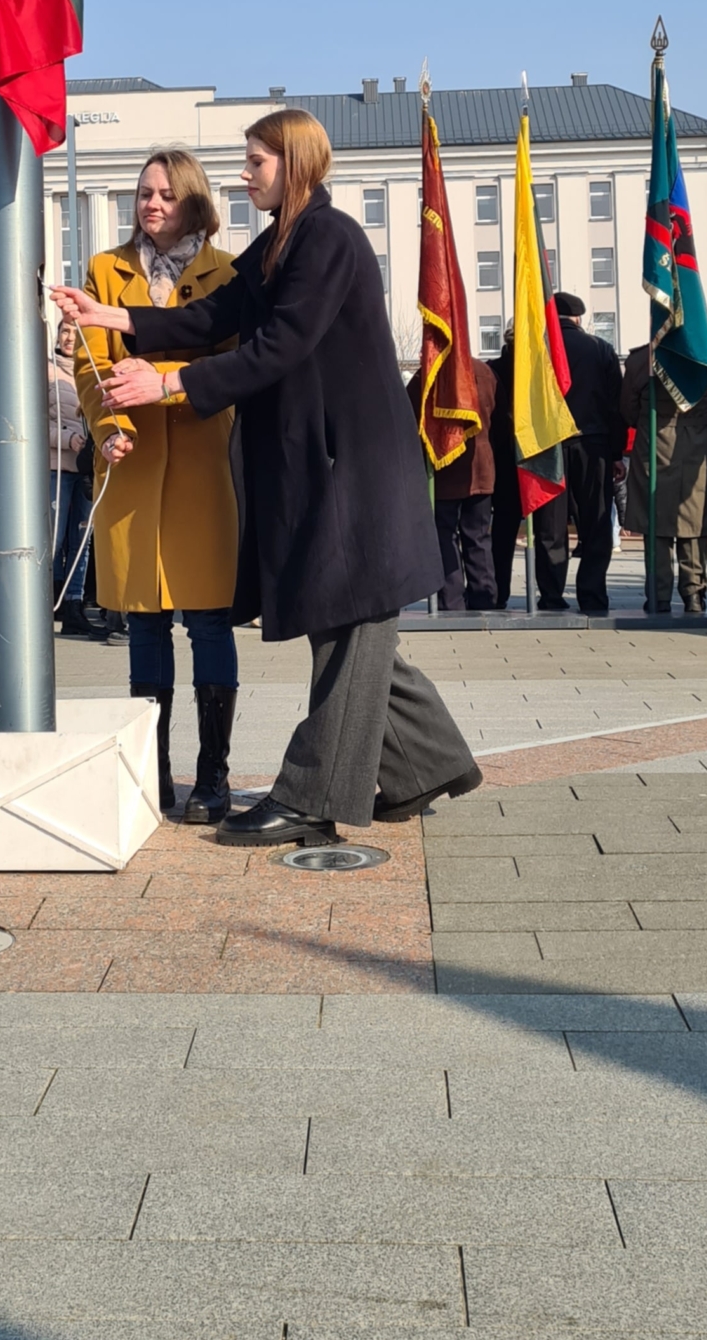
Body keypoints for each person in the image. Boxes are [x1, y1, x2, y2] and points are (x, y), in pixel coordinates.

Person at [56, 108, 480, 846]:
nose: (244, 174)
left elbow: (280, 344)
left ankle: (310, 796)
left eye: (254, 162)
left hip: (352, 468)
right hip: (323, 466)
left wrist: (169, 386)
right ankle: (424, 764)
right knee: (350, 630)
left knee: (348, 631)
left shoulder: (327, 238)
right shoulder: (281, 239)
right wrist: (116, 318)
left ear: (294, 162)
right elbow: (218, 312)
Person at [73, 149, 240, 818]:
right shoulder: (103, 271)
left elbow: (237, 367)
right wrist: (105, 423)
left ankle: (213, 779)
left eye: (167, 194)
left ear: (193, 201)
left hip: (205, 467)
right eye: (144, 192)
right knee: (143, 624)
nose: (152, 204)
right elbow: (90, 364)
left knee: (207, 621)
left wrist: (166, 391)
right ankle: (152, 776)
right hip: (131, 468)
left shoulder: (227, 274)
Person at [621, 342, 707, 613]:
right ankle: (694, 594)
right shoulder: (706, 354)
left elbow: (627, 410)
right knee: (694, 525)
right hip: (699, 446)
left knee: (655, 523)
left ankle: (659, 596)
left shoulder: (640, 360)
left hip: (654, 445)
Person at [538, 294, 626, 615]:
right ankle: (592, 596)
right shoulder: (600, 349)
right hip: (594, 444)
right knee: (596, 521)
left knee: (551, 524)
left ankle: (550, 596)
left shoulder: (538, 348)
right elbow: (616, 405)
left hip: (548, 445)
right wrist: (616, 453)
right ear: (577, 318)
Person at [409, 355, 498, 611]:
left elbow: (410, 416)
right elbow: (497, 415)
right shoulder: (485, 372)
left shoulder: (426, 375)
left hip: (443, 468)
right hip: (479, 468)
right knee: (478, 536)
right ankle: (484, 597)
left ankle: (451, 600)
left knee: (444, 537)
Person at [488, 330, 563, 609]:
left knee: (503, 530)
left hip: (503, 457)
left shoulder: (491, 369)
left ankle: (498, 592)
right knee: (547, 528)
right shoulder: (543, 368)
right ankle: (551, 594)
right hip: (538, 454)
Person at [49, 316, 106, 642]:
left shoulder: (92, 371)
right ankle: (47, 600)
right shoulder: (44, 371)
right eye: (65, 331)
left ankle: (73, 604)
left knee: (82, 541)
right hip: (57, 466)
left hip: (87, 467)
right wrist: (68, 439)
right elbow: (35, 420)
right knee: (54, 540)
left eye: (76, 332)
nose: (70, 338)